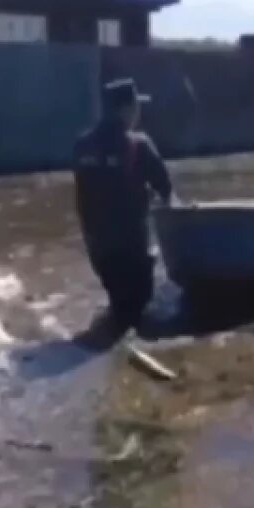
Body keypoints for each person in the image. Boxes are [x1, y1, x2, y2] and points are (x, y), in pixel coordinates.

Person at [73, 78, 173, 331]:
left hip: (99, 250)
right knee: (139, 314)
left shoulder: (82, 145)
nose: (138, 112)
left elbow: (87, 194)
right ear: (125, 109)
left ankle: (108, 342)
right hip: (132, 251)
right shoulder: (138, 144)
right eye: (136, 106)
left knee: (118, 307)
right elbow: (165, 187)